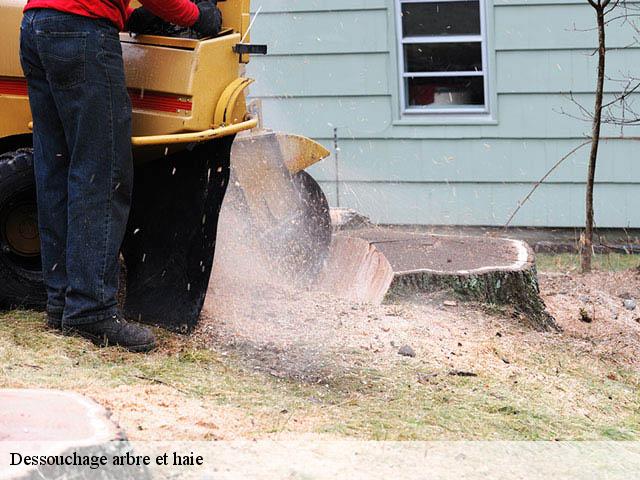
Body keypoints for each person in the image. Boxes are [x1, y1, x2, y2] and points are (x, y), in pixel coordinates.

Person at [19, 0, 222, 352]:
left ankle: (62, 301)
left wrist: (128, 15)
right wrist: (195, 15)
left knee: (56, 166)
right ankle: (90, 308)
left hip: (38, 25)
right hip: (81, 31)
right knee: (101, 170)